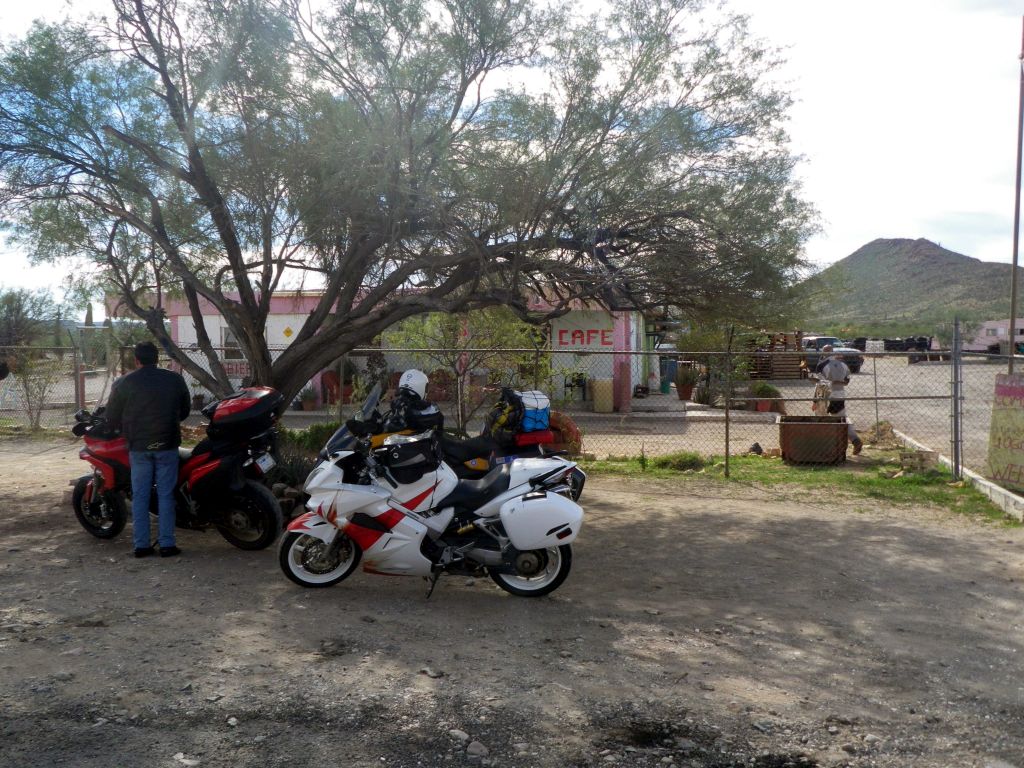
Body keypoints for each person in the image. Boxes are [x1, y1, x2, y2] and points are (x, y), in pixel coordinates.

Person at [105, 341, 191, 558]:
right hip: (167, 445)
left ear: (136, 360)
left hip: (139, 447)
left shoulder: (124, 382)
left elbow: (112, 416)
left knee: (140, 496)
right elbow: (184, 411)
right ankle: (167, 545)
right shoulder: (174, 379)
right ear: (157, 358)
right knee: (166, 494)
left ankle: (141, 546)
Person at [816, 344, 863, 455]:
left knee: (823, 417)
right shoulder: (843, 364)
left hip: (826, 395)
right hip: (840, 394)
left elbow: (820, 384)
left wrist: (815, 400)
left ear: (824, 352)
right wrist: (837, 381)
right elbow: (846, 382)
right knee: (840, 417)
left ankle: (851, 440)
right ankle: (852, 440)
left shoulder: (821, 365)